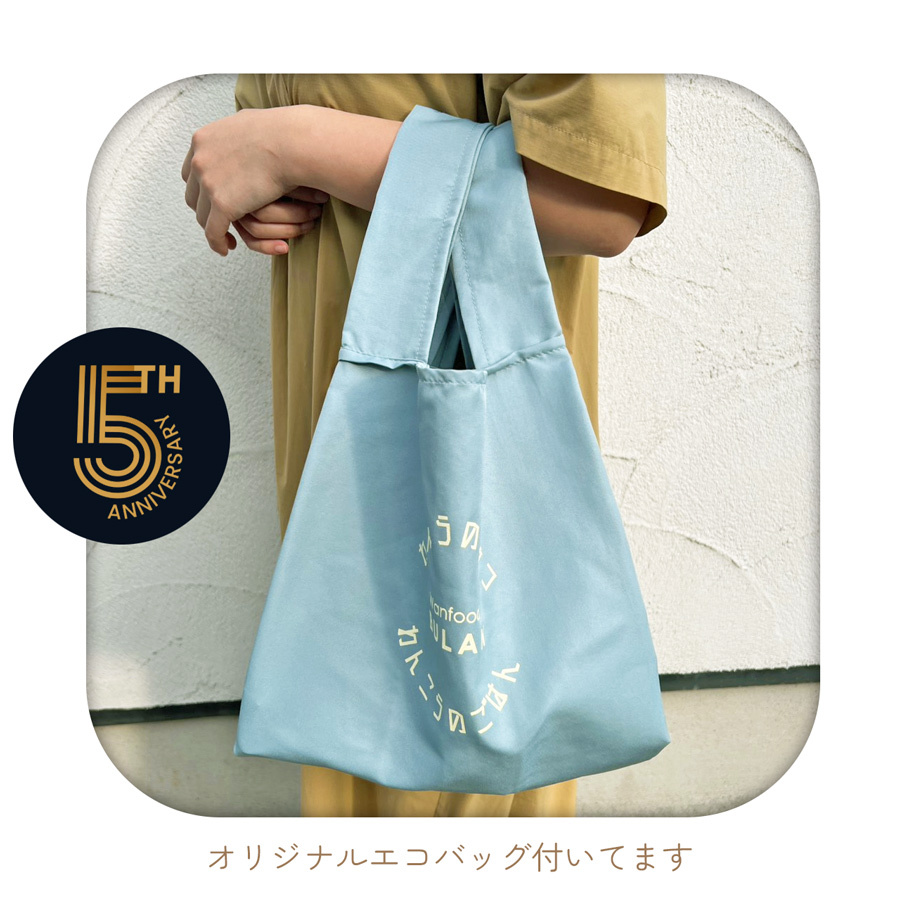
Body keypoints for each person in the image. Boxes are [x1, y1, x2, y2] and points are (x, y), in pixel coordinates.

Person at [182, 74, 667, 817]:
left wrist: (293, 146)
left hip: (462, 451)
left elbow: (598, 204)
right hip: (340, 446)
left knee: (464, 794)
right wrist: (260, 177)